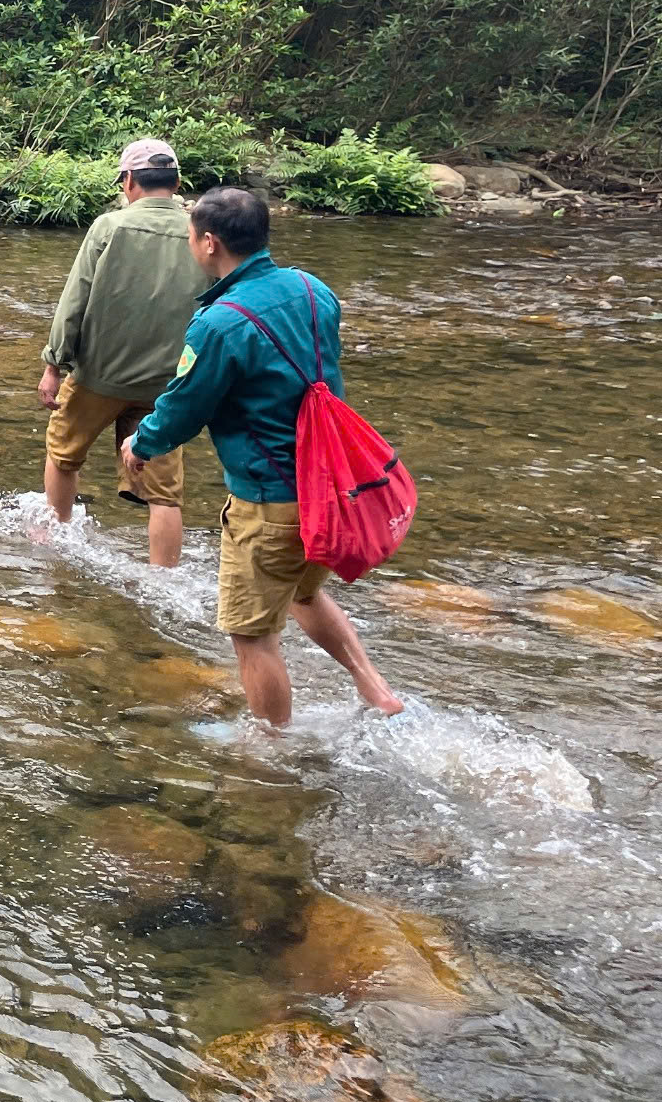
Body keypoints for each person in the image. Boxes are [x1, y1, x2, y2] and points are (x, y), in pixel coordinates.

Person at [122, 187, 404, 727]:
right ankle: (374, 686)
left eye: (190, 238)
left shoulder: (218, 324)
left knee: (252, 636)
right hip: (330, 489)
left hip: (269, 502)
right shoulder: (312, 288)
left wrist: (143, 443)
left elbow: (184, 407)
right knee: (303, 593)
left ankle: (271, 749)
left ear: (209, 243)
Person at [37, 137, 205, 566]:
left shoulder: (109, 227)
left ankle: (56, 541)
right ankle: (164, 581)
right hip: (167, 385)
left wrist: (54, 364)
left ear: (129, 181)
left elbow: (74, 300)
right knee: (165, 495)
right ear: (178, 181)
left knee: (63, 455)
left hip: (99, 376)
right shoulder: (201, 233)